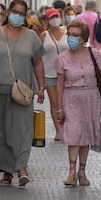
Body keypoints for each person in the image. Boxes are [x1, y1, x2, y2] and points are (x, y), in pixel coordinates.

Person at [0, 0, 45, 187]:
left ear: (25, 15)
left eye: (21, 13)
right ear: (7, 13)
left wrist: (42, 87)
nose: (17, 16)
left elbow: (38, 62)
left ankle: (21, 167)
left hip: (23, 92)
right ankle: (6, 172)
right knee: (1, 132)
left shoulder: (31, 36)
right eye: (14, 11)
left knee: (22, 130)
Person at [55, 19, 101, 186]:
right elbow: (60, 83)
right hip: (71, 97)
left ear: (84, 38)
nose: (71, 38)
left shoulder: (94, 54)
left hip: (91, 98)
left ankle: (82, 171)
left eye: (75, 35)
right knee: (73, 133)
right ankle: (71, 171)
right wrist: (59, 107)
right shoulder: (61, 59)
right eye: (69, 35)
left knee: (86, 134)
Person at [40, 8, 69, 141]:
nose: (55, 19)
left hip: (67, 74)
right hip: (49, 73)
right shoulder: (44, 35)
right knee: (54, 102)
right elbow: (38, 56)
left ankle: (67, 127)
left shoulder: (68, 33)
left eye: (56, 16)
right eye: (51, 17)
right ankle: (59, 130)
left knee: (66, 102)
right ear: (47, 20)